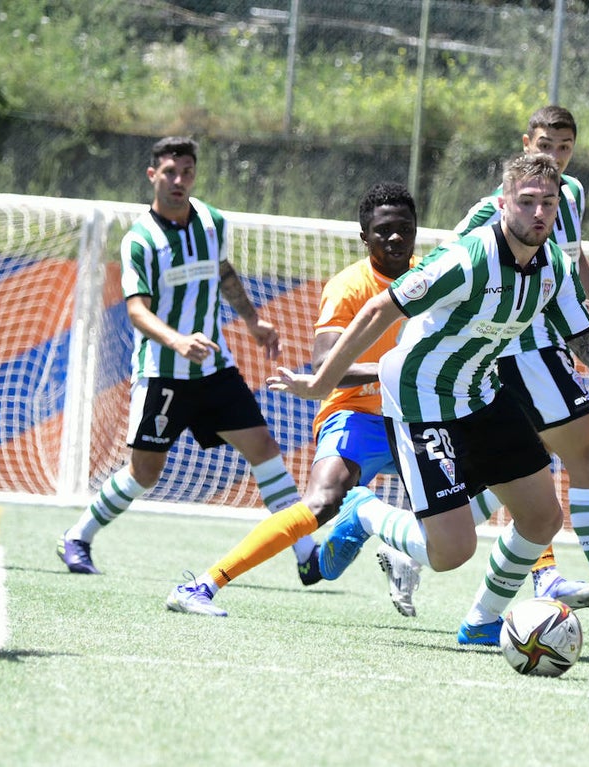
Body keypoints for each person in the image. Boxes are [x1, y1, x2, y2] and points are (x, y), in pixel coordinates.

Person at [268, 153, 589, 646]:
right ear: (503, 204)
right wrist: (324, 381)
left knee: (542, 518)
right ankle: (363, 510)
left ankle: (483, 622)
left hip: (480, 392)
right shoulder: (468, 259)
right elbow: (380, 307)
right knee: (450, 552)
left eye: (548, 203)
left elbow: (583, 341)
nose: (538, 213)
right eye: (527, 201)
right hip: (420, 400)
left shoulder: (554, 264)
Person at [340, 106, 589, 631]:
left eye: (563, 149)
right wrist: (322, 379)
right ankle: (564, 579)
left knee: (537, 486)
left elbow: (572, 257)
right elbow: (436, 276)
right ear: (525, 147)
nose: (553, 159)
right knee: (570, 460)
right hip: (490, 360)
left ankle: (494, 606)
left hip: (515, 363)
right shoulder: (484, 224)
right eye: (545, 146)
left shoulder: (570, 196)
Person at [56, 136, 317, 582]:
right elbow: (137, 309)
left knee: (265, 449)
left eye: (187, 172)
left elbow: (223, 271)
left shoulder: (213, 223)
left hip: (215, 369)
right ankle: (77, 537)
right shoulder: (140, 239)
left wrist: (254, 322)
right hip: (163, 375)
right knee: (144, 473)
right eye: (170, 172)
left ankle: (308, 554)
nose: (179, 181)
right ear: (152, 175)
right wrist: (177, 342)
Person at [164, 181, 421, 616]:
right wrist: (392, 371)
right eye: (383, 231)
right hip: (356, 413)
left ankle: (512, 601)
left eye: (405, 229)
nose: (395, 238)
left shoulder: (431, 276)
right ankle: (204, 586)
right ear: (365, 238)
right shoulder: (349, 288)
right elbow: (326, 368)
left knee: (499, 473)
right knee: (322, 503)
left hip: (417, 419)